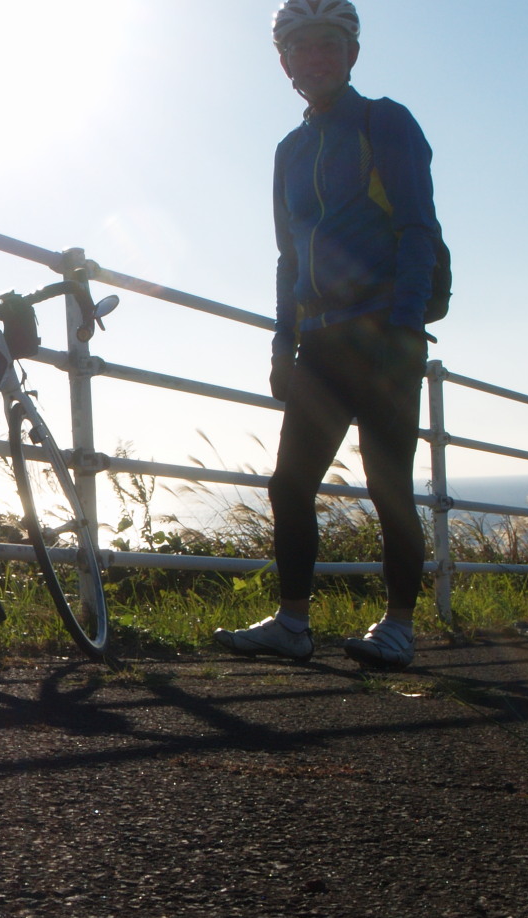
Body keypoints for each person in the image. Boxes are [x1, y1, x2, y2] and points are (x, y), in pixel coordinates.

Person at [215, 0, 441, 669]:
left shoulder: (384, 120)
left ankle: (398, 626)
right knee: (290, 485)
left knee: (389, 485)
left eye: (328, 44)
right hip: (319, 340)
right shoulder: (289, 150)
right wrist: (282, 346)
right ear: (283, 61)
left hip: (382, 333)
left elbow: (418, 229)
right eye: (300, 47)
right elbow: (288, 258)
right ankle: (292, 623)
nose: (314, 58)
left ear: (352, 54)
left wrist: (405, 329)